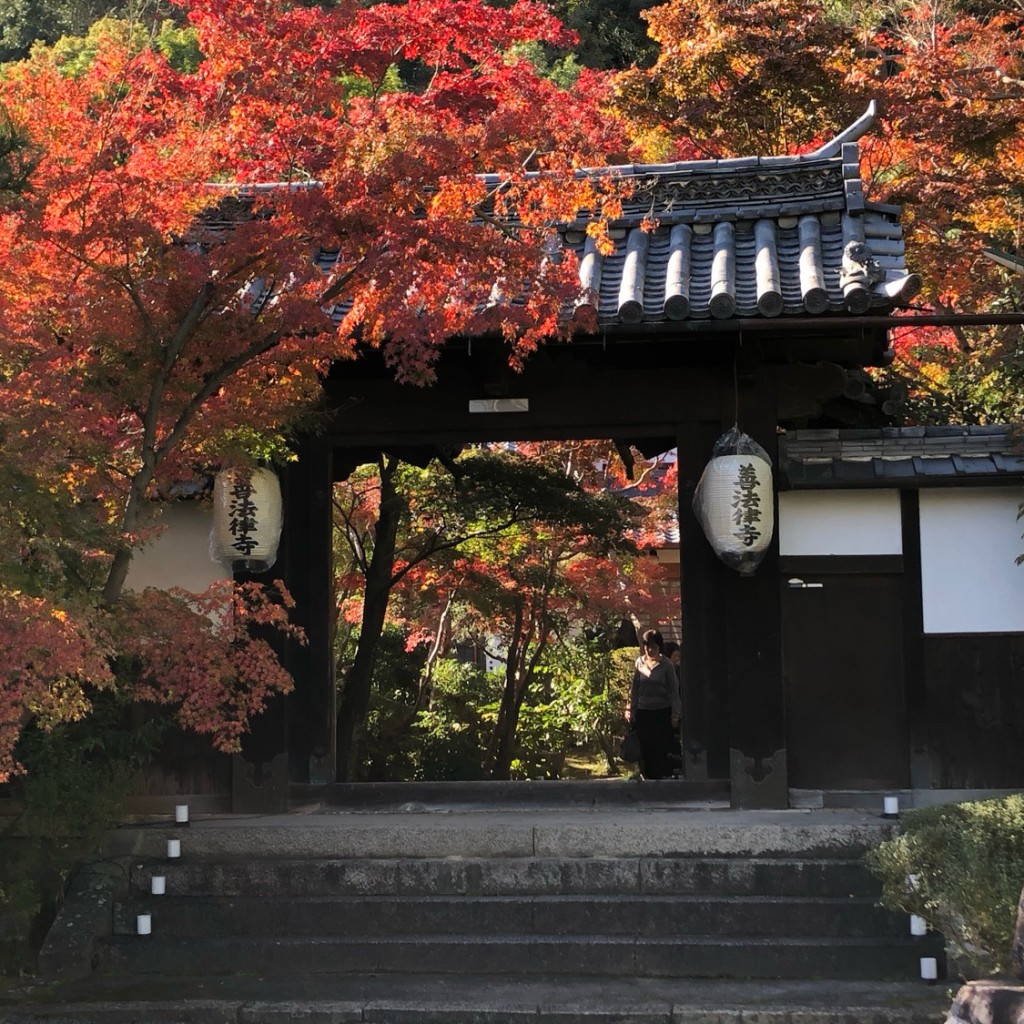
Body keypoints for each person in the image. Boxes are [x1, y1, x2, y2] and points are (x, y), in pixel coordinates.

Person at [626, 629, 681, 780]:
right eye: (647, 646)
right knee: (645, 747)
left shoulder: (667, 665)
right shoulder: (639, 663)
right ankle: (647, 777)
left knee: (660, 748)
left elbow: (674, 691)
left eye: (654, 646)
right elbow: (634, 688)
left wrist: (676, 714)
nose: (650, 650)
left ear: (659, 647)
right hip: (644, 711)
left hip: (662, 711)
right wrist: (631, 709)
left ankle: (660, 778)